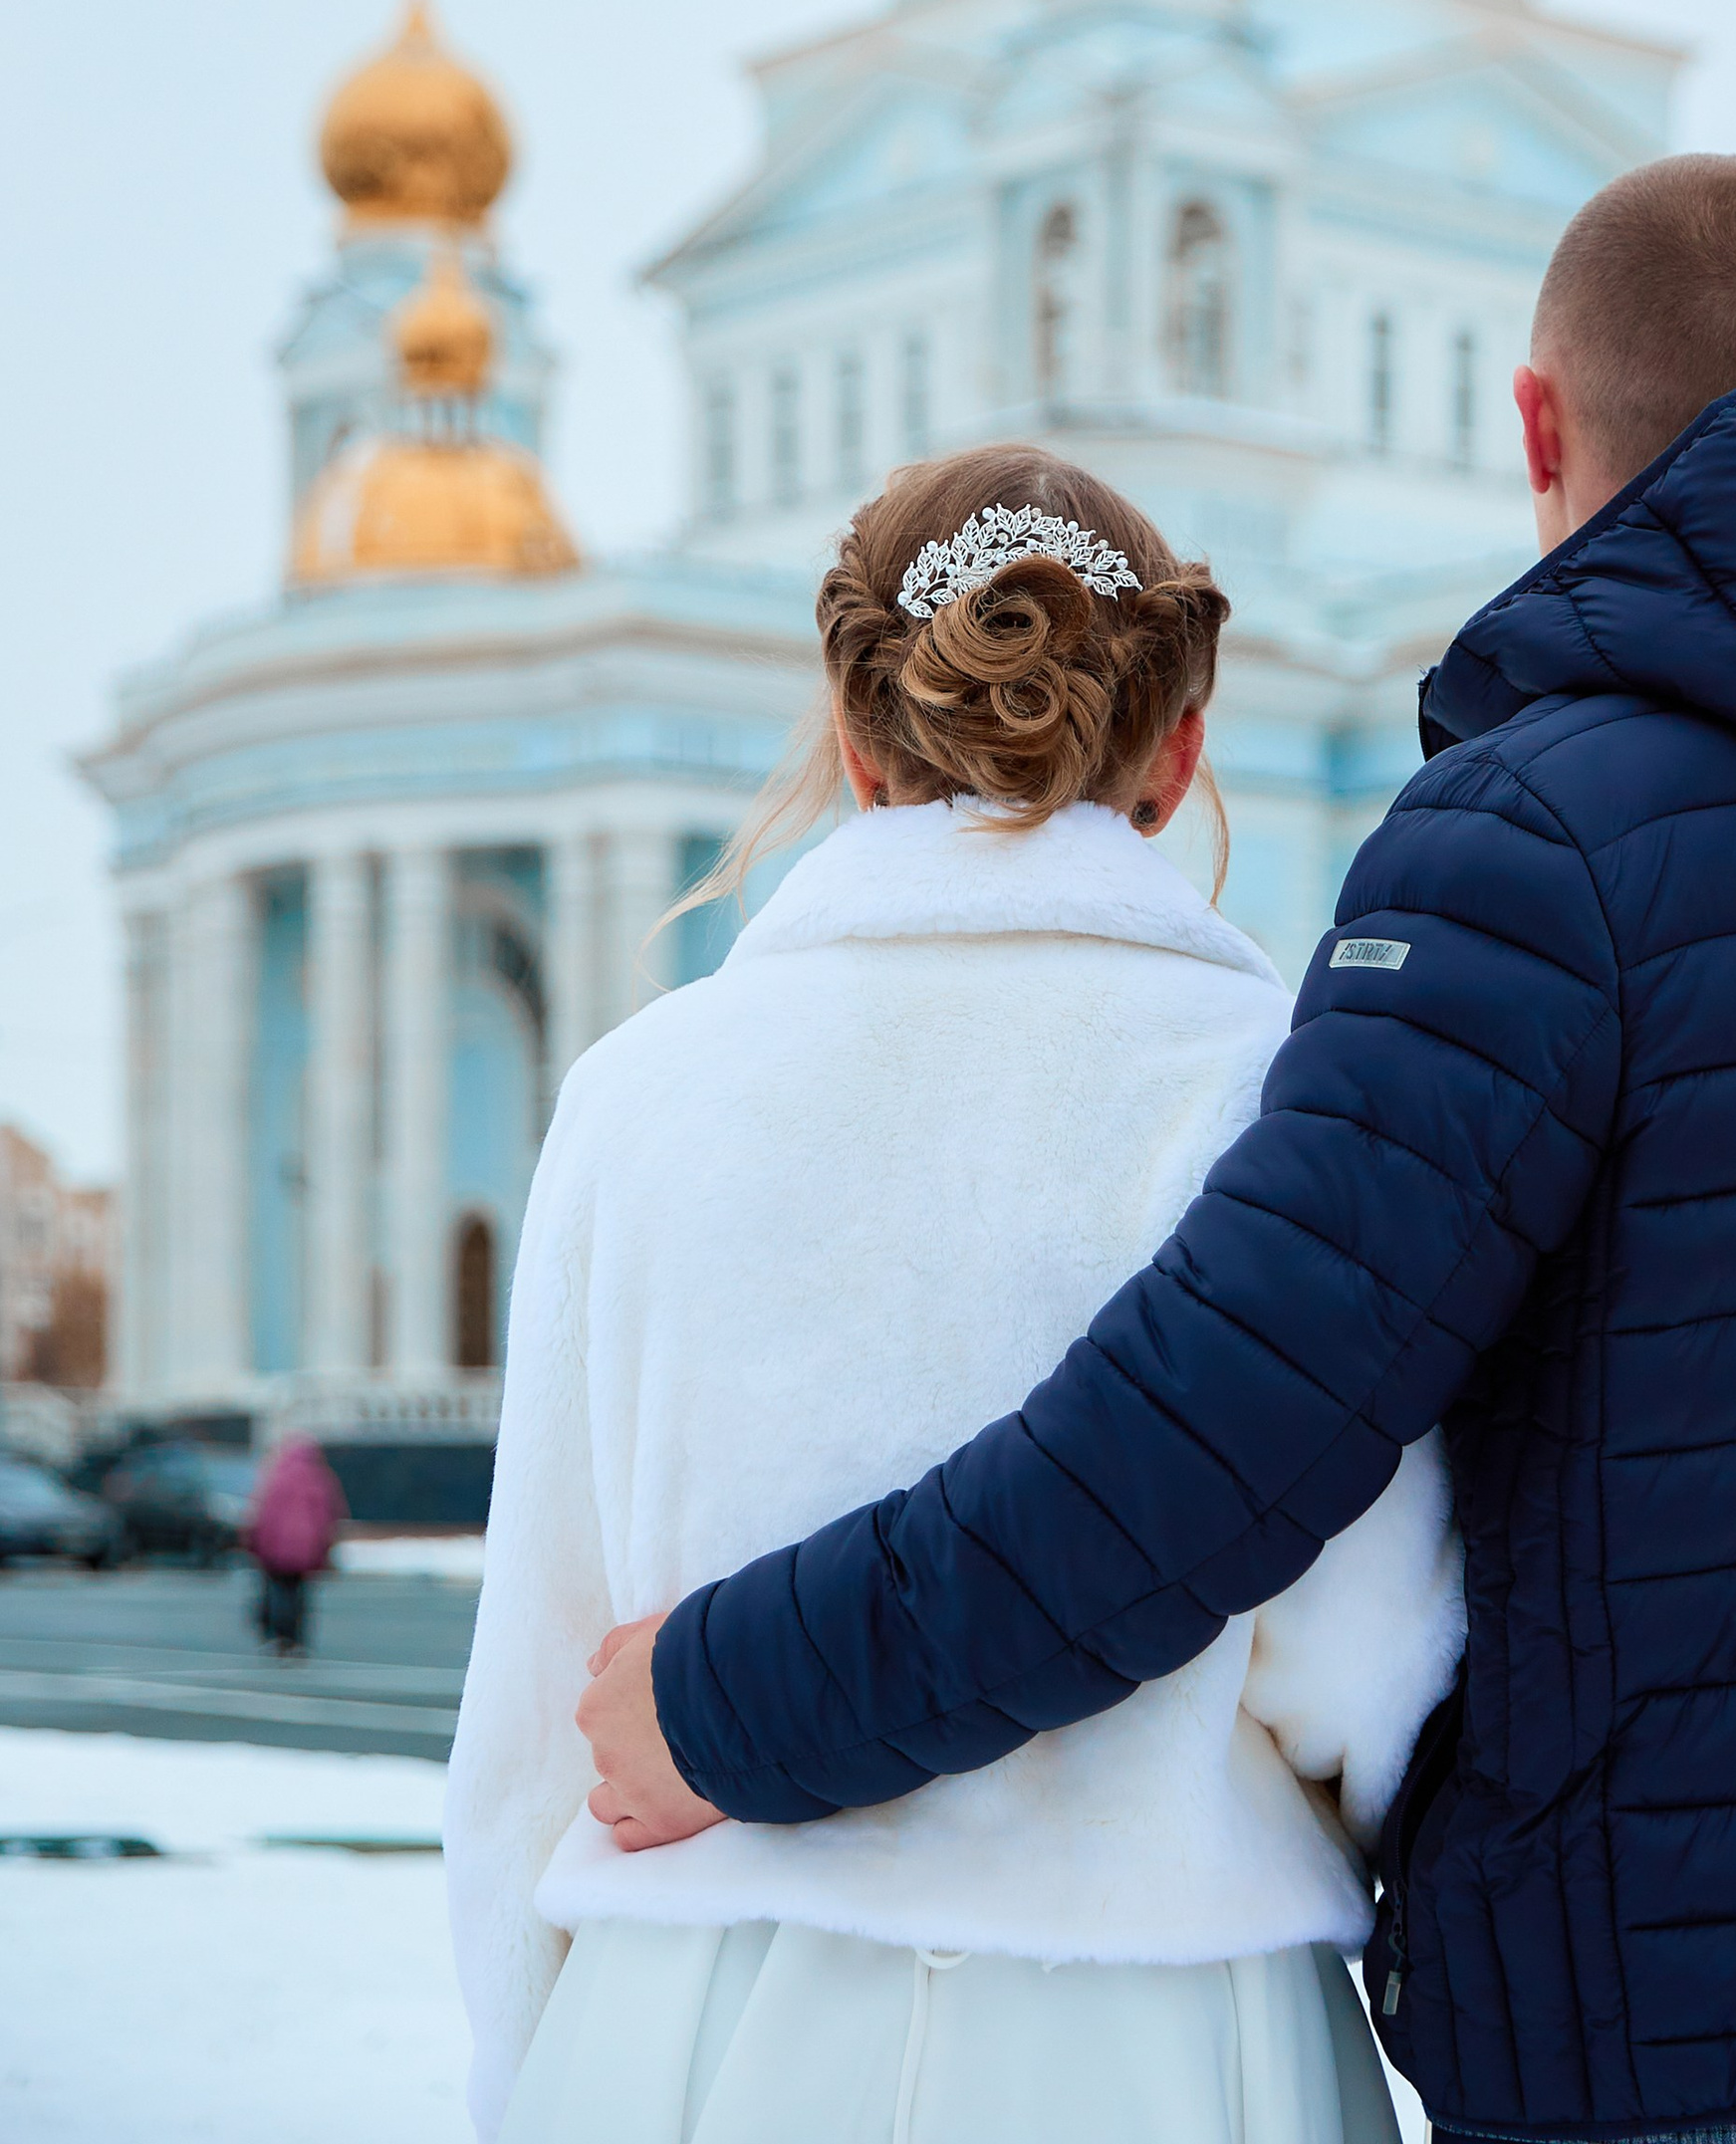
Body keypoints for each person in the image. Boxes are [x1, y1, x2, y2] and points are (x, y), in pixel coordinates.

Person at [584, 153, 1736, 2144]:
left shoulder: (1530, 841)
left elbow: (1215, 1434)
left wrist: (729, 1702)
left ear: (1533, 426)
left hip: (1637, 2036)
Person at [444, 445, 1463, 2144]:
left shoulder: (641, 1097)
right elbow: (1361, 1659)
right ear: (1183, 745)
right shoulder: (1281, 1097)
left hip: (692, 2021)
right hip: (1176, 2033)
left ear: (854, 745)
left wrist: (529, 2062)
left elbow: (535, 1704)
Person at [244, 1431, 345, 1658]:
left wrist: (256, 1543)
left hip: (277, 1548)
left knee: (279, 1590)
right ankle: (297, 1637)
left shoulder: (277, 1477)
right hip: (307, 1549)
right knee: (300, 1593)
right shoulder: (320, 1478)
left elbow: (264, 1515)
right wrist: (324, 1544)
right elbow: (330, 1515)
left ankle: (280, 1635)